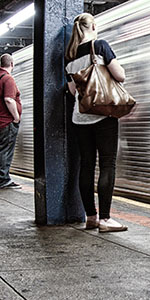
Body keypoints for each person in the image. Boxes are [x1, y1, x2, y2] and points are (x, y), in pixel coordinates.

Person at [65, 13, 127, 233]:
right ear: (92, 25)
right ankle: (106, 219)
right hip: (103, 114)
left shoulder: (70, 55)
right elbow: (119, 76)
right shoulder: (100, 46)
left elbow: (72, 91)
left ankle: (91, 217)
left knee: (86, 165)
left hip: (79, 117)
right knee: (107, 164)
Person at [0, 54, 22, 189]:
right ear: (12, 64)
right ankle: (3, 180)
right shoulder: (8, 79)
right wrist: (16, 117)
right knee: (4, 151)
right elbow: (9, 99)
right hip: (5, 121)